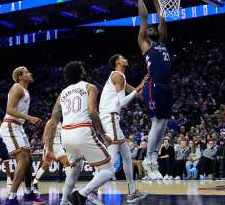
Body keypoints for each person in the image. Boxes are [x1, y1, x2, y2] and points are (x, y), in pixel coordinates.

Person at [44, 61, 114, 205]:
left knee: (74, 170)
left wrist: (50, 148)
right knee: (108, 170)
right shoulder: (90, 87)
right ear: (82, 73)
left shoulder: (62, 93)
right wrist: (103, 135)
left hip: (66, 134)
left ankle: (64, 201)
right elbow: (92, 112)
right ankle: (81, 194)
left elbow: (53, 122)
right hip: (82, 130)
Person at [98, 54, 147, 203]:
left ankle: (132, 192)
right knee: (111, 161)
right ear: (117, 62)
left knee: (126, 156)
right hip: (110, 118)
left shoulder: (119, 77)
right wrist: (140, 85)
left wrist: (147, 93)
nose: (126, 58)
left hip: (111, 119)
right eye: (122, 57)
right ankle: (90, 190)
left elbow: (137, 95)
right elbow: (123, 101)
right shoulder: (118, 75)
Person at [138, 0, 173, 180]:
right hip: (153, 86)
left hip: (166, 86)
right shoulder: (145, 43)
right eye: (148, 28)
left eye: (153, 27)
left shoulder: (162, 40)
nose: (151, 27)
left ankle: (153, 160)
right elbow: (144, 18)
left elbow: (162, 19)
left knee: (164, 123)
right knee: (157, 122)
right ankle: (148, 161)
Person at [0, 66, 44, 204]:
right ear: (20, 77)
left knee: (29, 160)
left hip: (18, 127)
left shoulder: (25, 90)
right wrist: (30, 118)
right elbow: (9, 109)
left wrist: (26, 120)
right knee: (23, 160)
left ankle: (28, 192)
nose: (30, 73)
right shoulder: (17, 88)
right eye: (26, 72)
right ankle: (11, 197)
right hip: (10, 125)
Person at [32, 121, 70, 194]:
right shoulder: (49, 122)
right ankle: (35, 182)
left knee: (67, 163)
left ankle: (71, 184)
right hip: (50, 146)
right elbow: (45, 136)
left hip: (58, 146)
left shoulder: (60, 123)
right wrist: (49, 149)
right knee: (45, 166)